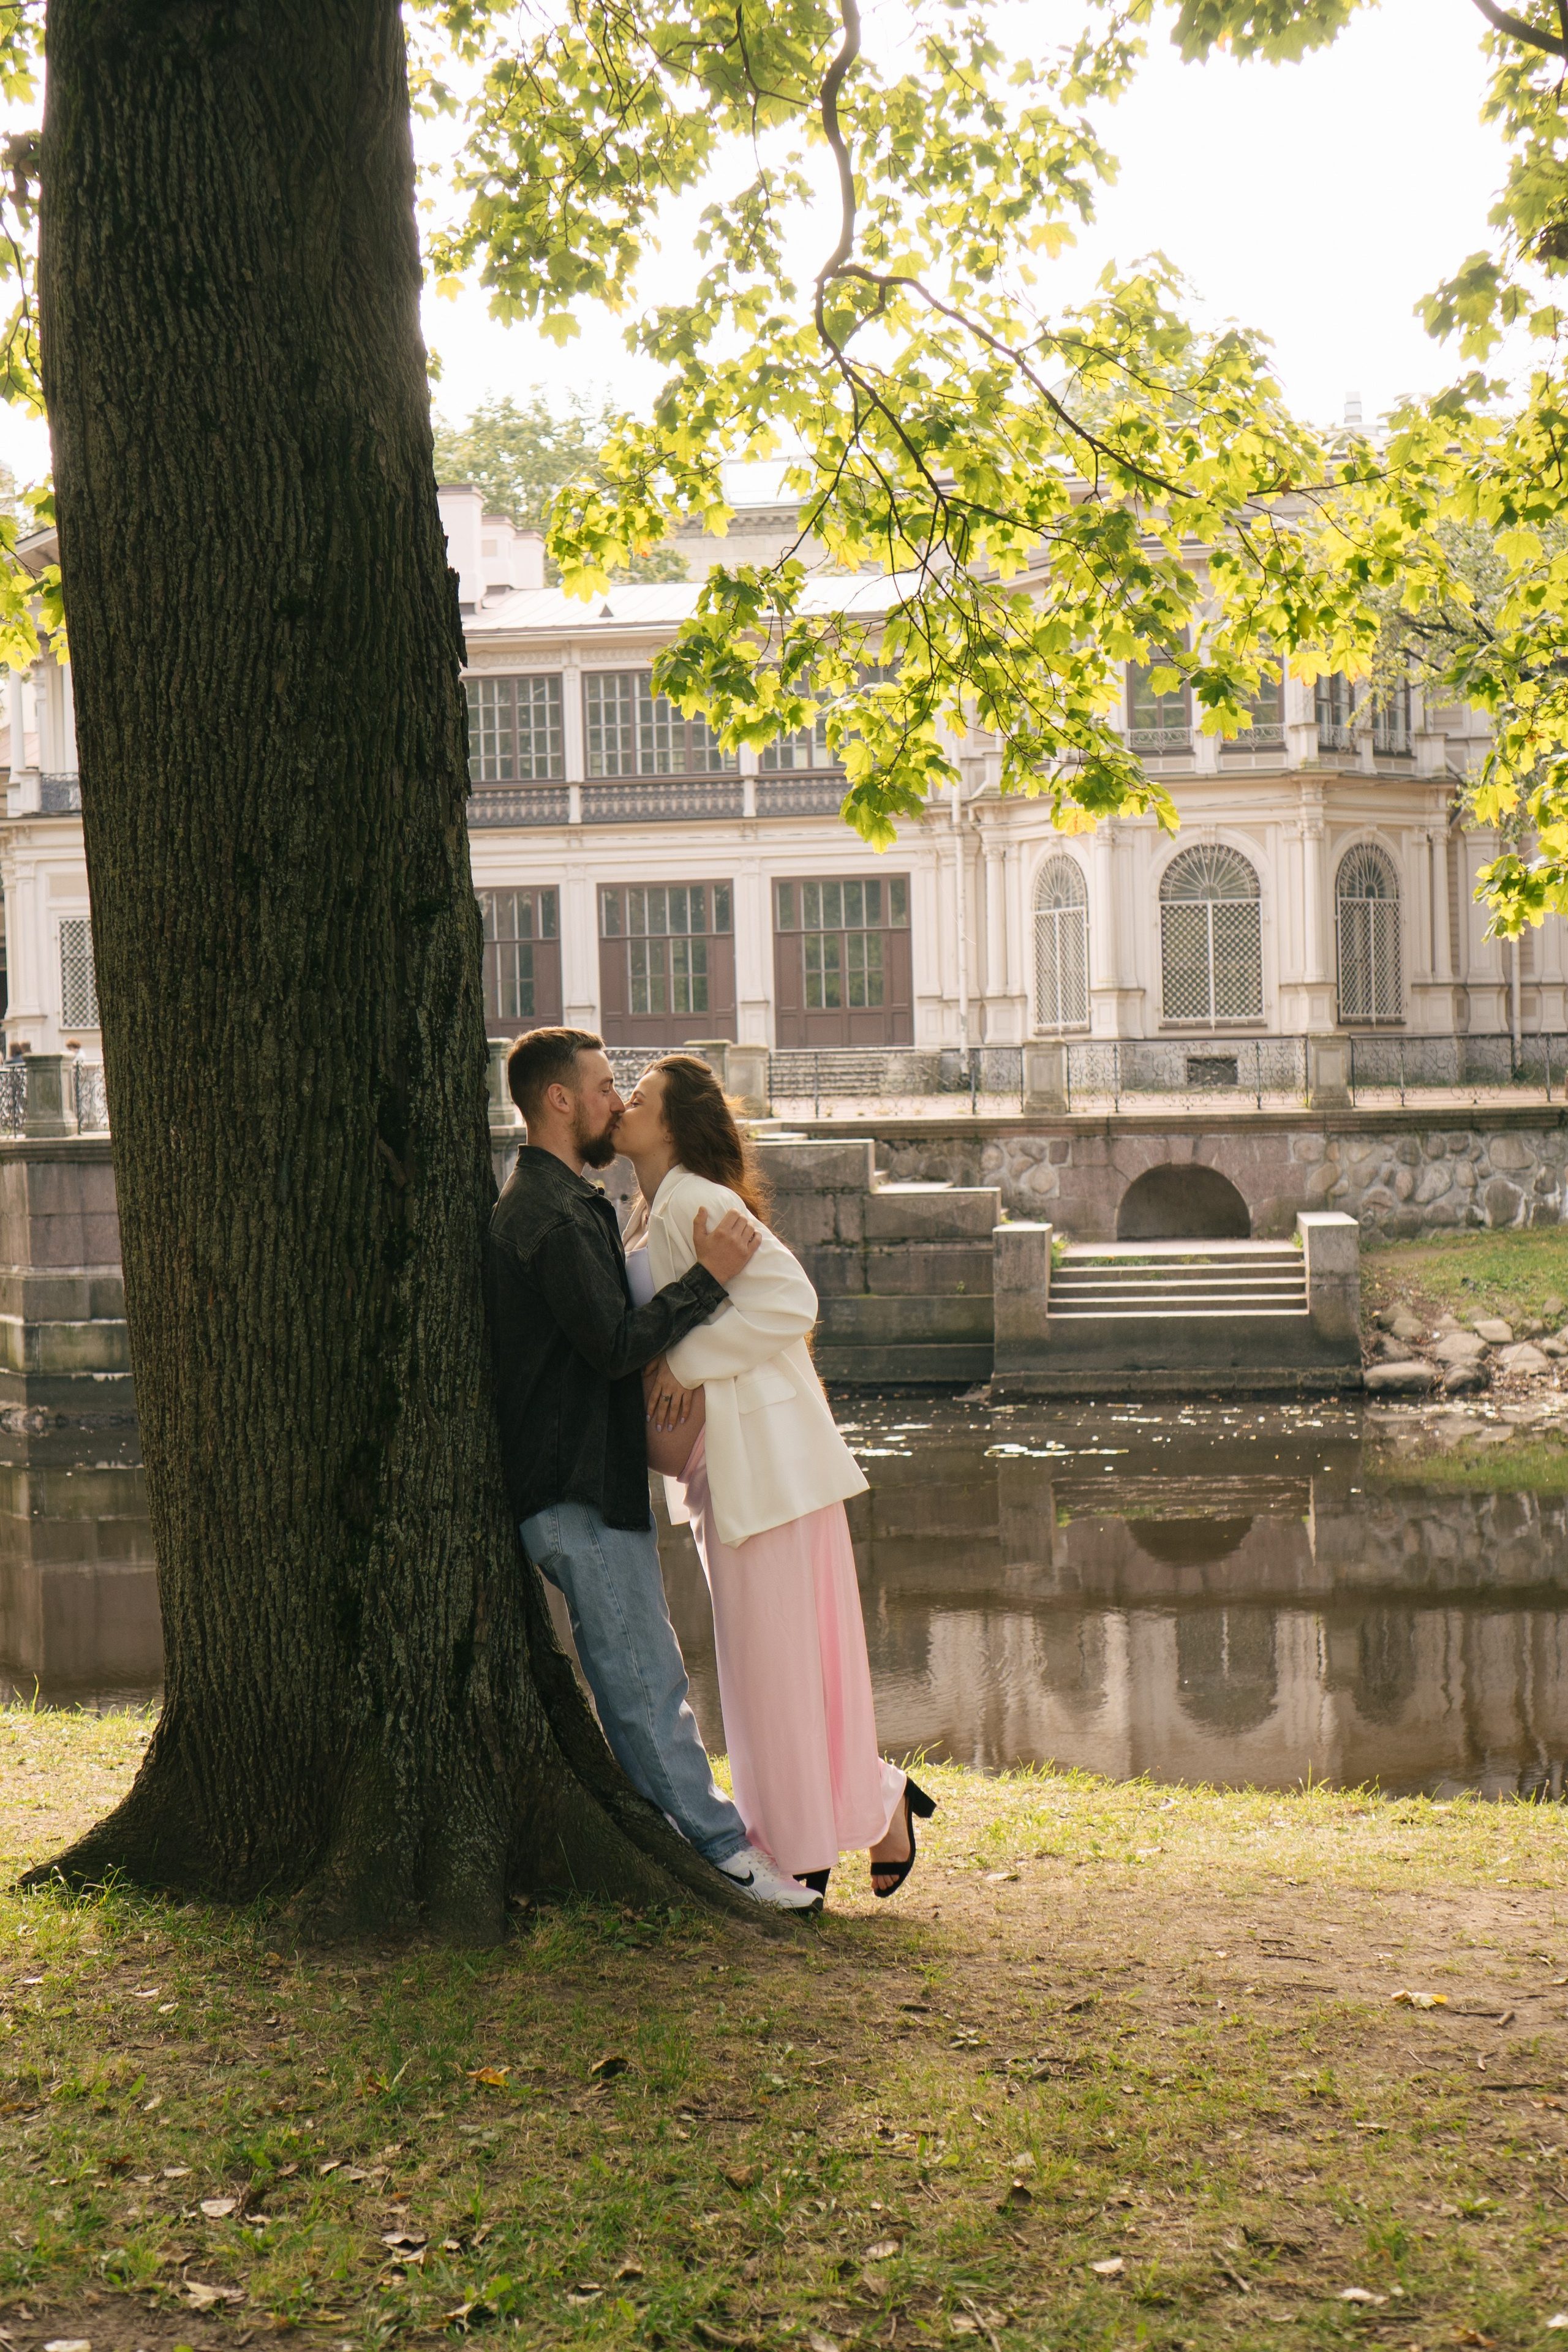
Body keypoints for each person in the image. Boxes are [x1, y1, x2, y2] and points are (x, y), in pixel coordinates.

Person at [487, 1027, 820, 1913]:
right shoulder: (548, 1214)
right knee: (645, 1680)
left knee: (640, 1672)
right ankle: (726, 1859)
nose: (614, 1101)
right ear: (560, 1100)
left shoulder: (570, 1202)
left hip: (588, 1481)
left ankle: (687, 1845)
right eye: (603, 1087)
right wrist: (709, 1281)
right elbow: (610, 1345)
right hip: (573, 1485)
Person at [616, 1054, 936, 1901]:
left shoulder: (694, 1199)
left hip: (764, 1466)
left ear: (675, 1122)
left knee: (780, 1667)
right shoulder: (654, 1211)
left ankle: (803, 1845)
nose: (622, 1104)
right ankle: (850, 1813)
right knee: (774, 1668)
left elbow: (792, 1299)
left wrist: (685, 1367)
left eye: (638, 1097)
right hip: (733, 1472)